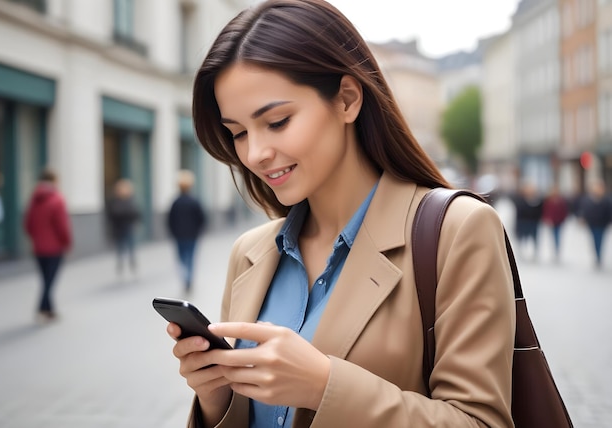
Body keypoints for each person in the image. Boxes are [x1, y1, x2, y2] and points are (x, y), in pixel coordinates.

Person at [165, 1, 516, 427]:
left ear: (347, 100)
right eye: (237, 132)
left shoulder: (458, 231)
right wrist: (216, 399)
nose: (254, 153)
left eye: (276, 121)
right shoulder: (250, 253)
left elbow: (482, 421)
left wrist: (325, 385)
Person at [24, 168, 72, 322]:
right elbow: (62, 226)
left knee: (46, 279)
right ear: (54, 181)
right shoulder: (57, 199)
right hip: (54, 247)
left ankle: (49, 310)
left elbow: (28, 224)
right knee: (49, 281)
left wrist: (36, 238)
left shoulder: (34, 199)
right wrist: (66, 242)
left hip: (38, 247)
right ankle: (42, 309)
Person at [167, 170, 207, 294]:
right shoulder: (194, 201)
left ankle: (185, 278)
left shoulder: (176, 202)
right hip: (192, 235)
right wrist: (198, 231)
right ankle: (188, 279)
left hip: (179, 235)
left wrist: (173, 232)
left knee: (181, 258)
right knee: (190, 258)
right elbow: (202, 218)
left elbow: (170, 220)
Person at [106, 178, 141, 277]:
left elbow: (136, 213)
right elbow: (112, 215)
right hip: (119, 229)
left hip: (129, 228)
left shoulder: (131, 200)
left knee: (131, 247)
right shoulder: (115, 202)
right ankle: (120, 265)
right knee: (120, 248)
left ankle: (132, 264)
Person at [577, 180, 612, 269]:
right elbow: (584, 210)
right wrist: (583, 219)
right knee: (594, 240)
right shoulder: (588, 200)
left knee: (600, 240)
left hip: (602, 224)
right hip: (592, 223)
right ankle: (597, 255)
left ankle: (599, 255)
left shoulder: (606, 200)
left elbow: (609, 212)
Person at [511, 182, 543, 261]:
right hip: (523, 221)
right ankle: (522, 252)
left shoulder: (537, 199)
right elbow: (518, 210)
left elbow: (540, 210)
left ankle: (534, 253)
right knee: (522, 237)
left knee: (534, 237)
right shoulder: (520, 199)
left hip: (533, 222)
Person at [541, 186, 570, 262]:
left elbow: (564, 211)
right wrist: (547, 219)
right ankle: (554, 250)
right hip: (552, 222)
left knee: (557, 236)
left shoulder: (561, 201)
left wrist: (563, 219)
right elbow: (546, 211)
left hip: (559, 221)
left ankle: (557, 250)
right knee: (553, 236)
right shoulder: (548, 201)